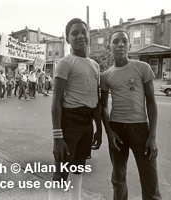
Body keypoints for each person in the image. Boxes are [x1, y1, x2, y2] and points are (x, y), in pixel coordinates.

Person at [100, 30, 162, 200]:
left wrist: (152, 136)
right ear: (109, 46)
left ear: (130, 45)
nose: (120, 44)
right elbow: (103, 106)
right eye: (116, 42)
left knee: (150, 179)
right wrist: (109, 131)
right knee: (118, 179)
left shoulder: (142, 68)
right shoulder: (105, 76)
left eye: (124, 41)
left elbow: (151, 102)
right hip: (117, 129)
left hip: (140, 128)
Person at [48, 18, 102, 200]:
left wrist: (98, 129)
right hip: (69, 122)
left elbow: (95, 99)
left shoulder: (95, 65)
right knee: (61, 173)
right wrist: (57, 138)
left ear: (89, 35)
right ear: (67, 39)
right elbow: (56, 101)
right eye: (74, 33)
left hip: (87, 124)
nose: (80, 36)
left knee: (78, 169)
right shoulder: (65, 63)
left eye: (83, 32)